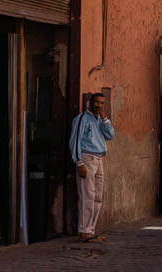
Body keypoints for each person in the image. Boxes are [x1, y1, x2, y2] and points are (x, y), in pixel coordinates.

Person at [68, 92, 115, 243]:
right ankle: (84, 231)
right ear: (90, 102)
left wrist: (105, 118)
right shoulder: (82, 118)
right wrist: (79, 162)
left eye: (102, 103)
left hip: (99, 159)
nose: (98, 105)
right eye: (96, 102)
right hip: (87, 159)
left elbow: (110, 135)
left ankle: (91, 230)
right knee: (87, 195)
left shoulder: (101, 121)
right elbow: (75, 140)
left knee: (97, 196)